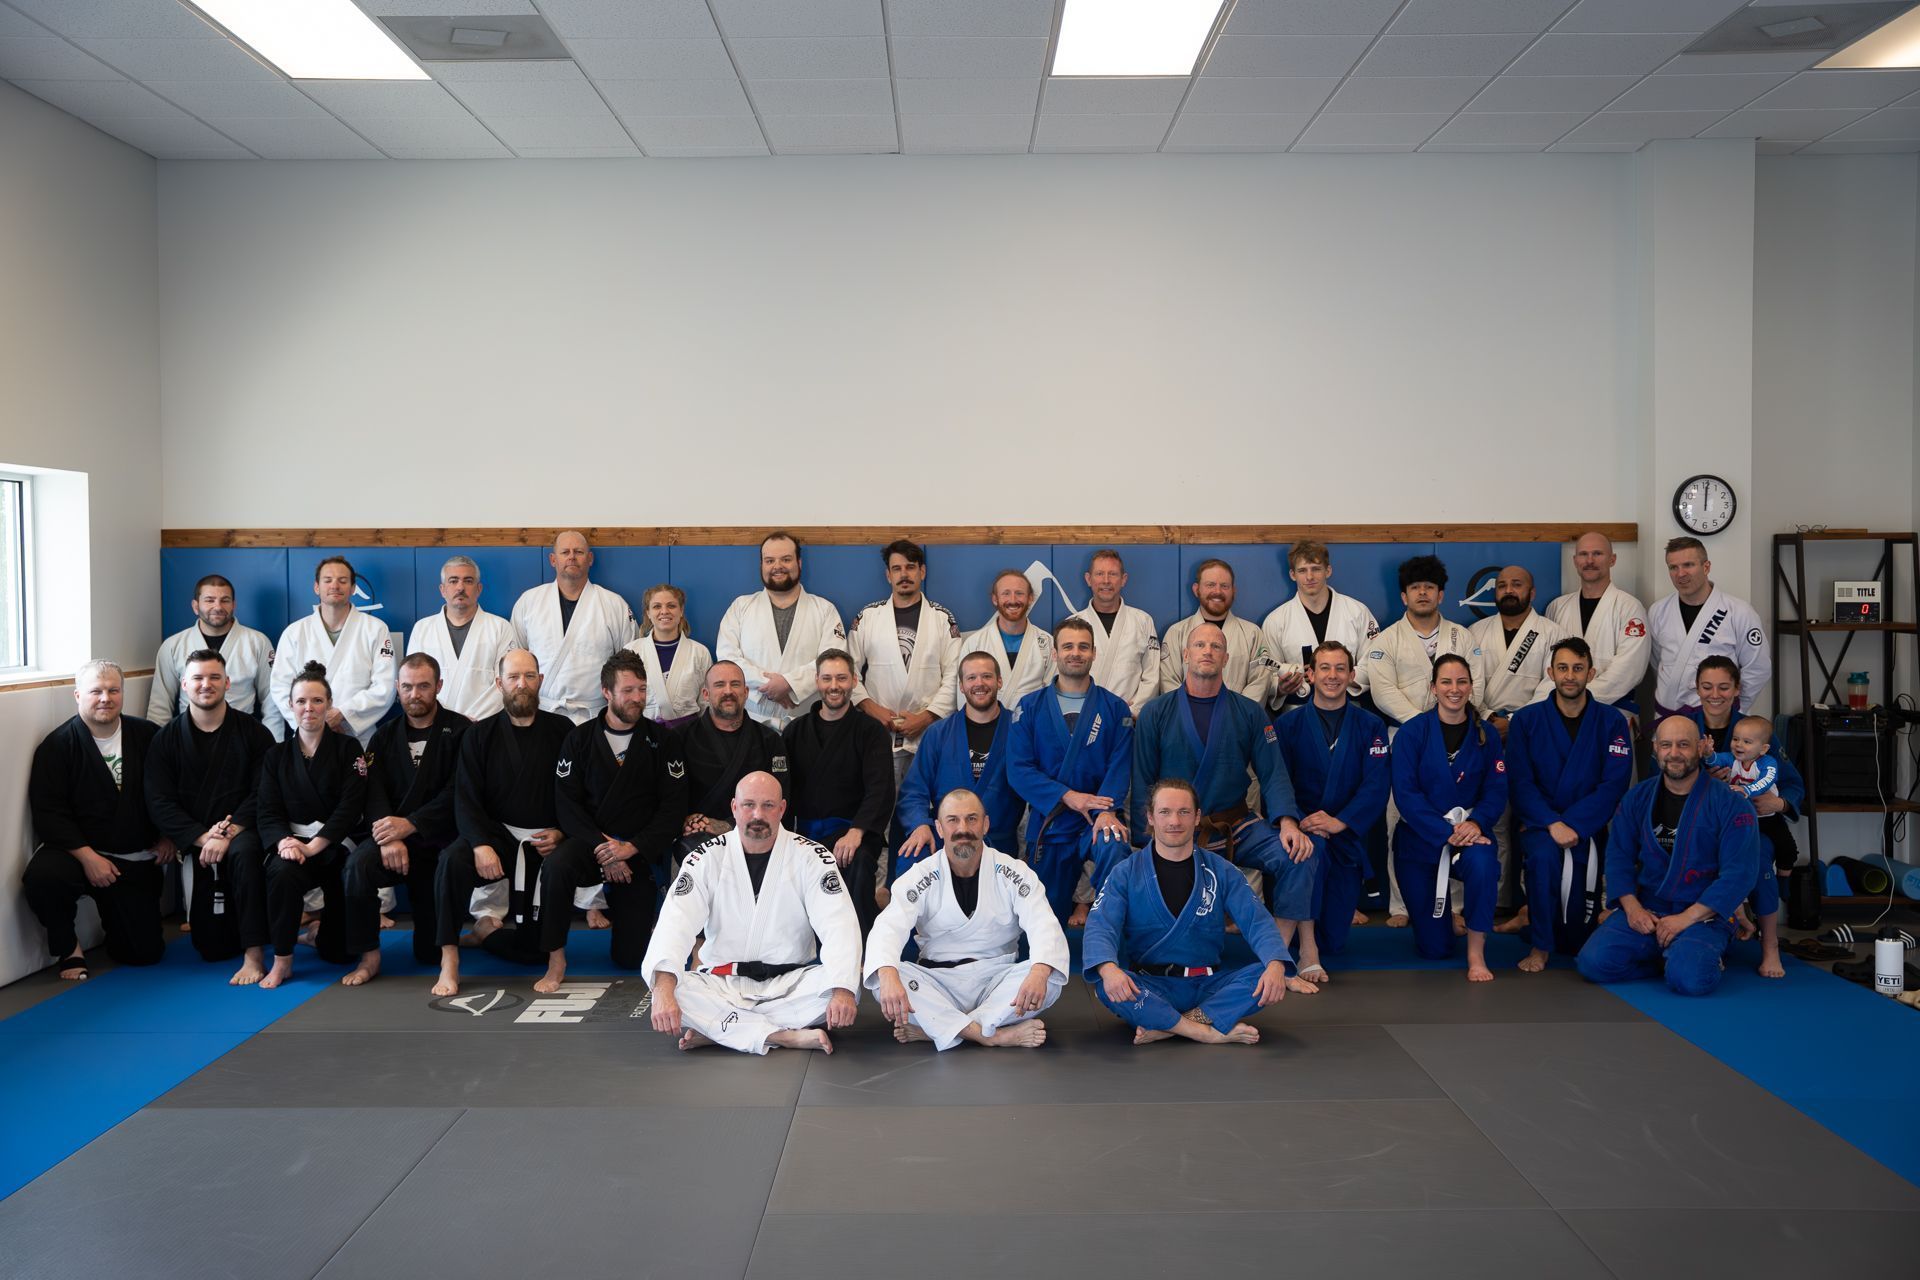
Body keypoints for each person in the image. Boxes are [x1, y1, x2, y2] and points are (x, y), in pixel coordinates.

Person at [1131, 624, 1316, 987]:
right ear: (1185, 654)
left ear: (1226, 658)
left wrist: (1289, 823)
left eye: (1216, 646)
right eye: (1199, 644)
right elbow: (1143, 780)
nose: (1207, 651)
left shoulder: (1249, 712)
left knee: (1300, 855)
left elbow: (1274, 773)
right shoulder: (1156, 712)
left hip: (1235, 823)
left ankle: (1275, 959)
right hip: (1175, 832)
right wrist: (1146, 837)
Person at [642, 772, 862, 1054]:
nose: (758, 814)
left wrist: (842, 990)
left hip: (792, 984)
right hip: (722, 983)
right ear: (734, 807)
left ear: (782, 809)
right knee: (670, 988)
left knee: (843, 987)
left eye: (768, 805)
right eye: (749, 805)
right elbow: (676, 923)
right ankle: (784, 1035)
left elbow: (839, 923)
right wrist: (662, 990)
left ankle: (722, 1030)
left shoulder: (811, 856)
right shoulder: (705, 858)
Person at [1084, 778, 1291, 1046]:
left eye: (1183, 812)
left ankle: (1169, 1025)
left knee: (1265, 975)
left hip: (1207, 985)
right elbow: (1101, 926)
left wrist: (1275, 962)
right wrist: (1108, 967)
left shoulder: (1221, 871)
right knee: (1106, 985)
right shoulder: (1126, 873)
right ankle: (1203, 1030)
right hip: (1151, 986)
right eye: (1165, 812)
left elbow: (1257, 921)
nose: (1174, 821)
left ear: (1196, 817)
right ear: (1150, 817)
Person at [868, 788, 1070, 1050]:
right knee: (886, 980)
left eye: (971, 819)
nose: (963, 828)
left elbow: (1043, 923)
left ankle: (938, 1029)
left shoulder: (1014, 873)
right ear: (939, 828)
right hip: (937, 980)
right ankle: (990, 1034)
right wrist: (887, 973)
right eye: (953, 820)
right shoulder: (920, 876)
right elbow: (888, 927)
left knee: (1049, 977)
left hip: (996, 980)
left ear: (985, 824)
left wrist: (1040, 970)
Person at [1576, 715, 1761, 997]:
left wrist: (1685, 919)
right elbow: (1619, 858)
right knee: (1593, 964)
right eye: (1666, 745)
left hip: (1703, 914)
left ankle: (1686, 957)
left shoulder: (1732, 803)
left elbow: (1739, 874)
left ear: (1701, 748)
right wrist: (1632, 908)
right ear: (1654, 749)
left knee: (1691, 981)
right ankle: (1668, 959)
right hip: (1649, 909)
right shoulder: (1637, 798)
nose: (1674, 753)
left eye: (1683, 745)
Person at [541, 649, 687, 993]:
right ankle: (555, 958)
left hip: (637, 851)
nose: (637, 698)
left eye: (641, 689)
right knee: (557, 866)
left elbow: (673, 807)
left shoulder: (663, 741)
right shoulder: (578, 739)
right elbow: (567, 804)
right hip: (591, 843)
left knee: (629, 957)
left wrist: (630, 848)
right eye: (628, 691)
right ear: (606, 692)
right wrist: (605, 848)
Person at [431, 649, 574, 998]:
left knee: (530, 952)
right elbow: (465, 798)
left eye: (528, 676)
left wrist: (562, 831)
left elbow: (577, 795)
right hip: (497, 837)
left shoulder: (563, 730)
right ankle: (449, 959)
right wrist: (480, 844)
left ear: (540, 681)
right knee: (452, 860)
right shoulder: (479, 736)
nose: (521, 684)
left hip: (545, 841)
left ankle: (544, 955)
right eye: (513, 677)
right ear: (499, 684)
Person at [24, 660, 172, 979]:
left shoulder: (148, 735)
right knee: (43, 876)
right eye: (96, 691)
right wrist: (88, 857)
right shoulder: (57, 746)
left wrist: (169, 835)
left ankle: (120, 926)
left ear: (122, 693)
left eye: (113, 690)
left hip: (132, 857)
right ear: (78, 696)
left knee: (143, 954)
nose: (105, 698)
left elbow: (172, 791)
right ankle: (68, 948)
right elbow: (49, 812)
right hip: (78, 853)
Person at [1359, 555, 1481, 927]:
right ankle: (1401, 905)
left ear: (1441, 594)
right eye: (1416, 587)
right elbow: (1382, 692)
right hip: (1407, 738)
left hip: (1458, 737)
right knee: (1399, 818)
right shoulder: (1386, 640)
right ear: (1404, 595)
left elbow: (1476, 683)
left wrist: (1444, 723)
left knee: (1457, 816)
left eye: (1429, 587)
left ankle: (1456, 906)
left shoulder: (1463, 636)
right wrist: (1425, 727)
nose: (1423, 593)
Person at [144, 648, 276, 983]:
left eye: (214, 677)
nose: (207, 684)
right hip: (198, 839)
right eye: (198, 678)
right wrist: (205, 838)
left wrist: (227, 833)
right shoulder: (166, 740)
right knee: (212, 948)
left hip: (243, 830)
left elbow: (263, 791)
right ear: (185, 685)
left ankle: (254, 954)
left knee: (245, 853)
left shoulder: (253, 732)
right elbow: (159, 801)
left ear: (227, 683)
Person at [339, 652, 470, 986]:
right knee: (358, 865)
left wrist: (411, 824)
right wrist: (389, 834)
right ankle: (368, 956)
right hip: (395, 842)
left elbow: (459, 790)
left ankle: (446, 953)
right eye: (408, 687)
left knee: (427, 952)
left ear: (439, 686)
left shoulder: (462, 731)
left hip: (441, 840)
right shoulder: (383, 736)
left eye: (424, 686)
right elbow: (374, 792)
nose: (415, 694)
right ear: (397, 688)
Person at [1503, 639, 1633, 973]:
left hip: (1587, 826)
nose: (1570, 676)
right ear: (1551, 673)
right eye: (1562, 668)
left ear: (1591, 673)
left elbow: (1614, 784)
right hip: (1540, 825)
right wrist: (1551, 822)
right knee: (1545, 857)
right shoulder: (1527, 720)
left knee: (1575, 938)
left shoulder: (1612, 721)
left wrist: (1574, 824)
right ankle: (1540, 945)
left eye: (1578, 668)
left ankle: (1541, 925)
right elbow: (1520, 782)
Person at [1273, 642, 1390, 981]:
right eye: (1324, 668)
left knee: (1335, 941)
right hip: (1304, 832)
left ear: (1352, 676)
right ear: (1309, 674)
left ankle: (1313, 939)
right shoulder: (1289, 725)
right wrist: (1299, 822)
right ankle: (1305, 947)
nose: (1332, 676)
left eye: (1340, 668)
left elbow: (1376, 784)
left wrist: (1340, 822)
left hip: (1345, 836)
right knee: (1313, 848)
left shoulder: (1371, 726)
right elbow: (1278, 782)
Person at [1006, 617, 1133, 926]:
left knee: (1113, 846)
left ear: (1093, 653)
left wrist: (1108, 809)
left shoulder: (1115, 708)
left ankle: (1109, 938)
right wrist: (1068, 796)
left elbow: (1121, 764)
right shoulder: (1030, 707)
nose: (1075, 653)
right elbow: (1019, 769)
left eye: (1083, 647)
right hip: (1051, 822)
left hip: (1100, 817)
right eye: (1068, 646)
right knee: (1047, 916)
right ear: (1055, 653)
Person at [1389, 654, 1507, 982]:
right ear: (1433, 688)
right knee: (1435, 948)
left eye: (1461, 682)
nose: (1454, 689)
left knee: (1484, 863)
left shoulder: (1487, 735)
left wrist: (1476, 823)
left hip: (1471, 836)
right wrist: (1446, 831)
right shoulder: (1412, 733)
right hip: (1420, 841)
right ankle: (1445, 925)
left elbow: (1497, 790)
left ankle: (1476, 953)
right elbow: (1406, 794)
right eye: (1446, 682)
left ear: (1471, 687)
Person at [1683, 657, 1801, 980]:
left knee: (1760, 857)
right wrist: (1707, 782)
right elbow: (1660, 780)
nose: (1715, 694)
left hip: (1751, 826)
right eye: (1707, 687)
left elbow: (1792, 783)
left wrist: (1778, 803)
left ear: (1737, 689)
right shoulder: (1686, 729)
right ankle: (1704, 935)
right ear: (1697, 688)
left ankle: (1770, 946)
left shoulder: (1757, 730)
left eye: (1724, 687)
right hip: (1698, 827)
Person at [254, 662, 367, 989]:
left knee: (340, 953)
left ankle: (319, 934)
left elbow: (351, 806)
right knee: (282, 873)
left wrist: (315, 844)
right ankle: (283, 959)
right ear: (290, 705)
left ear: (329, 704)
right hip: (292, 846)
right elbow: (267, 809)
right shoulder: (275, 756)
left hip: (334, 847)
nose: (309, 708)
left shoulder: (348, 748)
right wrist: (285, 843)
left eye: (317, 701)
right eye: (301, 701)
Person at [783, 648, 894, 935]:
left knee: (856, 870)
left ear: (855, 681)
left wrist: (856, 832)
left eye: (842, 678)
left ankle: (859, 954)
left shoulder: (871, 731)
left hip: (853, 833)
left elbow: (880, 789)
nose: (834, 686)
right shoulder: (795, 732)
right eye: (827, 678)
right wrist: (785, 840)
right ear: (817, 681)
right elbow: (785, 792)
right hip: (805, 836)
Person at [848, 538, 962, 788]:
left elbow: (955, 676)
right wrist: (871, 709)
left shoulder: (943, 619)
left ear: (922, 571)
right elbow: (848, 672)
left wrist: (926, 717)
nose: (904, 574)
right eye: (897, 569)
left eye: (910, 567)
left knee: (927, 810)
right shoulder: (868, 617)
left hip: (928, 734)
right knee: (881, 812)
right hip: (878, 731)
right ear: (888, 575)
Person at [895, 651, 1024, 868]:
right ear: (962, 686)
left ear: (999, 681)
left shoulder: (1019, 730)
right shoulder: (938, 733)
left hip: (999, 845)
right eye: (971, 678)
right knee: (911, 858)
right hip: (947, 841)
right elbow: (913, 791)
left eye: (987, 676)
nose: (979, 683)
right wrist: (920, 825)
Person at [715, 530, 847, 731]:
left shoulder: (824, 610)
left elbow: (833, 661)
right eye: (769, 561)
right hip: (751, 720)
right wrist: (768, 686)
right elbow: (727, 658)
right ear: (761, 565)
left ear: (799, 563)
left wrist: (790, 684)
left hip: (807, 720)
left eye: (786, 559)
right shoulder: (741, 607)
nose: (777, 566)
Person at [510, 530, 639, 722]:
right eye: (565, 552)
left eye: (578, 552)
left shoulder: (614, 604)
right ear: (553, 560)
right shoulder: (529, 601)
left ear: (590, 558)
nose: (571, 557)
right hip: (543, 712)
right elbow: (515, 657)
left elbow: (630, 658)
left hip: (595, 714)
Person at [270, 556, 396, 747]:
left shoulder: (376, 629)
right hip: (308, 736)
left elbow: (384, 687)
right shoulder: (294, 632)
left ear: (353, 588)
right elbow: (280, 687)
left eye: (342, 581)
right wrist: (312, 722)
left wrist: (343, 714)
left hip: (356, 735)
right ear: (316, 587)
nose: (335, 586)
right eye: (327, 580)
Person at [1648, 536, 1771, 718]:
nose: (1680, 574)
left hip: (1718, 718)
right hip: (1668, 718)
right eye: (1673, 567)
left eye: (1688, 565)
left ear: (1706, 567)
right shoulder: (1658, 611)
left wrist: (1734, 707)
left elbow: (1757, 668)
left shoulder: (1739, 612)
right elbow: (1658, 661)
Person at [674, 661, 787, 857]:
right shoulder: (680, 738)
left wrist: (728, 825)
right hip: (699, 837)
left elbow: (782, 797)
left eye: (735, 684)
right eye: (719, 685)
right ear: (706, 694)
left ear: (745, 692)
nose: (728, 691)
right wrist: (687, 820)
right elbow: (670, 794)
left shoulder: (769, 740)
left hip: (756, 831)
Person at [148, 574, 282, 737]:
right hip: (188, 736)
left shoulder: (257, 642)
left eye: (225, 600)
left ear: (234, 605)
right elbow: (160, 705)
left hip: (242, 735)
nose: (218, 606)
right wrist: (157, 746)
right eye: (209, 600)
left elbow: (271, 699)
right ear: (195, 606)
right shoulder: (173, 646)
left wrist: (273, 748)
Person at [1261, 540, 1379, 712]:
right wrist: (1280, 687)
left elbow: (1375, 662)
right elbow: (1267, 673)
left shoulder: (1357, 612)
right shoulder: (1276, 621)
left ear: (1328, 571)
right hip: (1297, 711)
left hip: (1349, 709)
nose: (1309, 577)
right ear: (1293, 574)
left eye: (1316, 568)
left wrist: (1343, 676)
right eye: (1302, 570)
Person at [1544, 531, 1649, 716]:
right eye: (1584, 554)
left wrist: (1580, 700)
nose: (1590, 560)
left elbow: (1629, 670)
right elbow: (1549, 666)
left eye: (1598, 554)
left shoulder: (1630, 607)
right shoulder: (1557, 607)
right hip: (1560, 712)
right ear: (1575, 560)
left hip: (1613, 710)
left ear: (1612, 559)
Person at [406, 555, 521, 721]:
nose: (460, 587)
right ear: (442, 589)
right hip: (435, 722)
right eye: (453, 581)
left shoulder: (500, 628)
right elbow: (414, 680)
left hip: (484, 724)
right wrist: (443, 718)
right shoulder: (422, 629)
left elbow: (506, 682)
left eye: (468, 581)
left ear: (479, 588)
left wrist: (472, 720)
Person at [1159, 558, 1274, 703]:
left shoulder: (1252, 634)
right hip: (1187, 720)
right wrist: (1192, 714)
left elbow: (1259, 682)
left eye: (1224, 586)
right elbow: (1168, 681)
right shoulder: (1176, 633)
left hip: (1238, 722)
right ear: (1196, 589)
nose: (1217, 591)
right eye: (1210, 585)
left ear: (1234, 591)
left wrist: (1235, 716)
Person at [1467, 565, 1565, 733]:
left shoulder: (1554, 633)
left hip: (1533, 724)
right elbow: (1465, 680)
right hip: (1483, 724)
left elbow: (1553, 684)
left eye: (1517, 584)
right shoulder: (1475, 631)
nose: (1508, 590)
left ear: (1532, 593)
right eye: (1502, 586)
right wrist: (1487, 716)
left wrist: (1514, 720)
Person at [1070, 548, 1161, 715]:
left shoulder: (1143, 621)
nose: (1106, 581)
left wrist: (1133, 711)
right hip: (1084, 715)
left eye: (1112, 574)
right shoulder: (1072, 624)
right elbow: (1064, 675)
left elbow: (1152, 675)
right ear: (1088, 579)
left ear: (1123, 579)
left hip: (1127, 718)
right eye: (1099, 574)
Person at [956, 569, 1054, 710]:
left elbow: (1053, 695)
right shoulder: (974, 643)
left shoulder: (1047, 643)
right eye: (1006, 593)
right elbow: (964, 696)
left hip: (1032, 726)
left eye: (1019, 593)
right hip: (988, 726)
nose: (1013, 600)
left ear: (1030, 598)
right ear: (995, 599)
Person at [626, 583, 712, 728]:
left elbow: (706, 702)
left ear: (681, 610)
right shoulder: (632, 651)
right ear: (648, 612)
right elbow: (623, 698)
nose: (664, 611)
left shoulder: (699, 652)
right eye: (657, 606)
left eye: (671, 606)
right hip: (644, 733)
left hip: (688, 735)